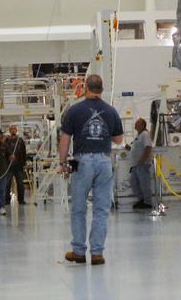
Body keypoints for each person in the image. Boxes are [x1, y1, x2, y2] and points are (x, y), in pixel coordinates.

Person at [58, 73, 124, 266]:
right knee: (101, 209)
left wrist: (62, 163)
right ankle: (97, 253)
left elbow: (65, 139)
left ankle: (79, 251)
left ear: (86, 87)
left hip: (83, 162)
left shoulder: (74, 110)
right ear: (101, 90)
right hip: (104, 162)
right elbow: (118, 139)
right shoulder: (111, 111)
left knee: (78, 208)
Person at [128, 118, 154, 209]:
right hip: (135, 165)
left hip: (142, 163)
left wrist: (143, 160)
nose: (135, 125)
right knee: (133, 182)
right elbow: (136, 148)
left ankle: (148, 202)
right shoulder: (138, 135)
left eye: (136, 124)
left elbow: (148, 147)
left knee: (144, 183)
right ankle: (141, 199)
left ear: (142, 125)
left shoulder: (145, 134)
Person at [3, 125, 28, 207]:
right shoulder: (6, 141)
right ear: (9, 130)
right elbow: (3, 151)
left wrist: (24, 163)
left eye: (14, 129)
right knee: (7, 183)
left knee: (20, 183)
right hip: (9, 166)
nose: (13, 130)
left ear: (16, 130)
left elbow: (24, 153)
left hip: (18, 166)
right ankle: (6, 200)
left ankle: (21, 200)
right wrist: (9, 156)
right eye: (11, 129)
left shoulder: (20, 141)